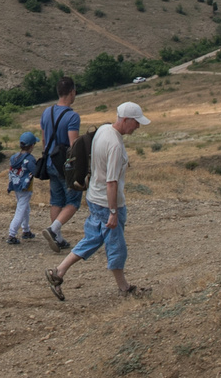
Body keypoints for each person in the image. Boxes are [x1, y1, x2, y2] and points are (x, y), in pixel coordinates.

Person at [46, 102, 147, 301]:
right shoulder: (116, 145)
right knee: (116, 245)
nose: (138, 127)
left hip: (94, 196)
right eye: (136, 122)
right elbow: (111, 182)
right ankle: (124, 288)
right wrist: (113, 212)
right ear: (125, 120)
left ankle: (58, 272)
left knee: (93, 238)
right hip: (106, 201)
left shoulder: (104, 130)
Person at [37, 77, 84, 252]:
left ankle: (57, 238)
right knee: (73, 201)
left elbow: (43, 138)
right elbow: (73, 144)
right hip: (65, 165)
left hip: (49, 161)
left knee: (56, 200)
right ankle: (53, 230)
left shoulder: (46, 112)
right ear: (72, 91)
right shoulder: (72, 116)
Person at [3, 130, 38, 244]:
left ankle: (26, 230)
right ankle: (12, 234)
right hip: (25, 187)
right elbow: (35, 171)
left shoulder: (14, 157)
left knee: (25, 208)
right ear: (31, 146)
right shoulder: (30, 159)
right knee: (21, 209)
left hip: (15, 185)